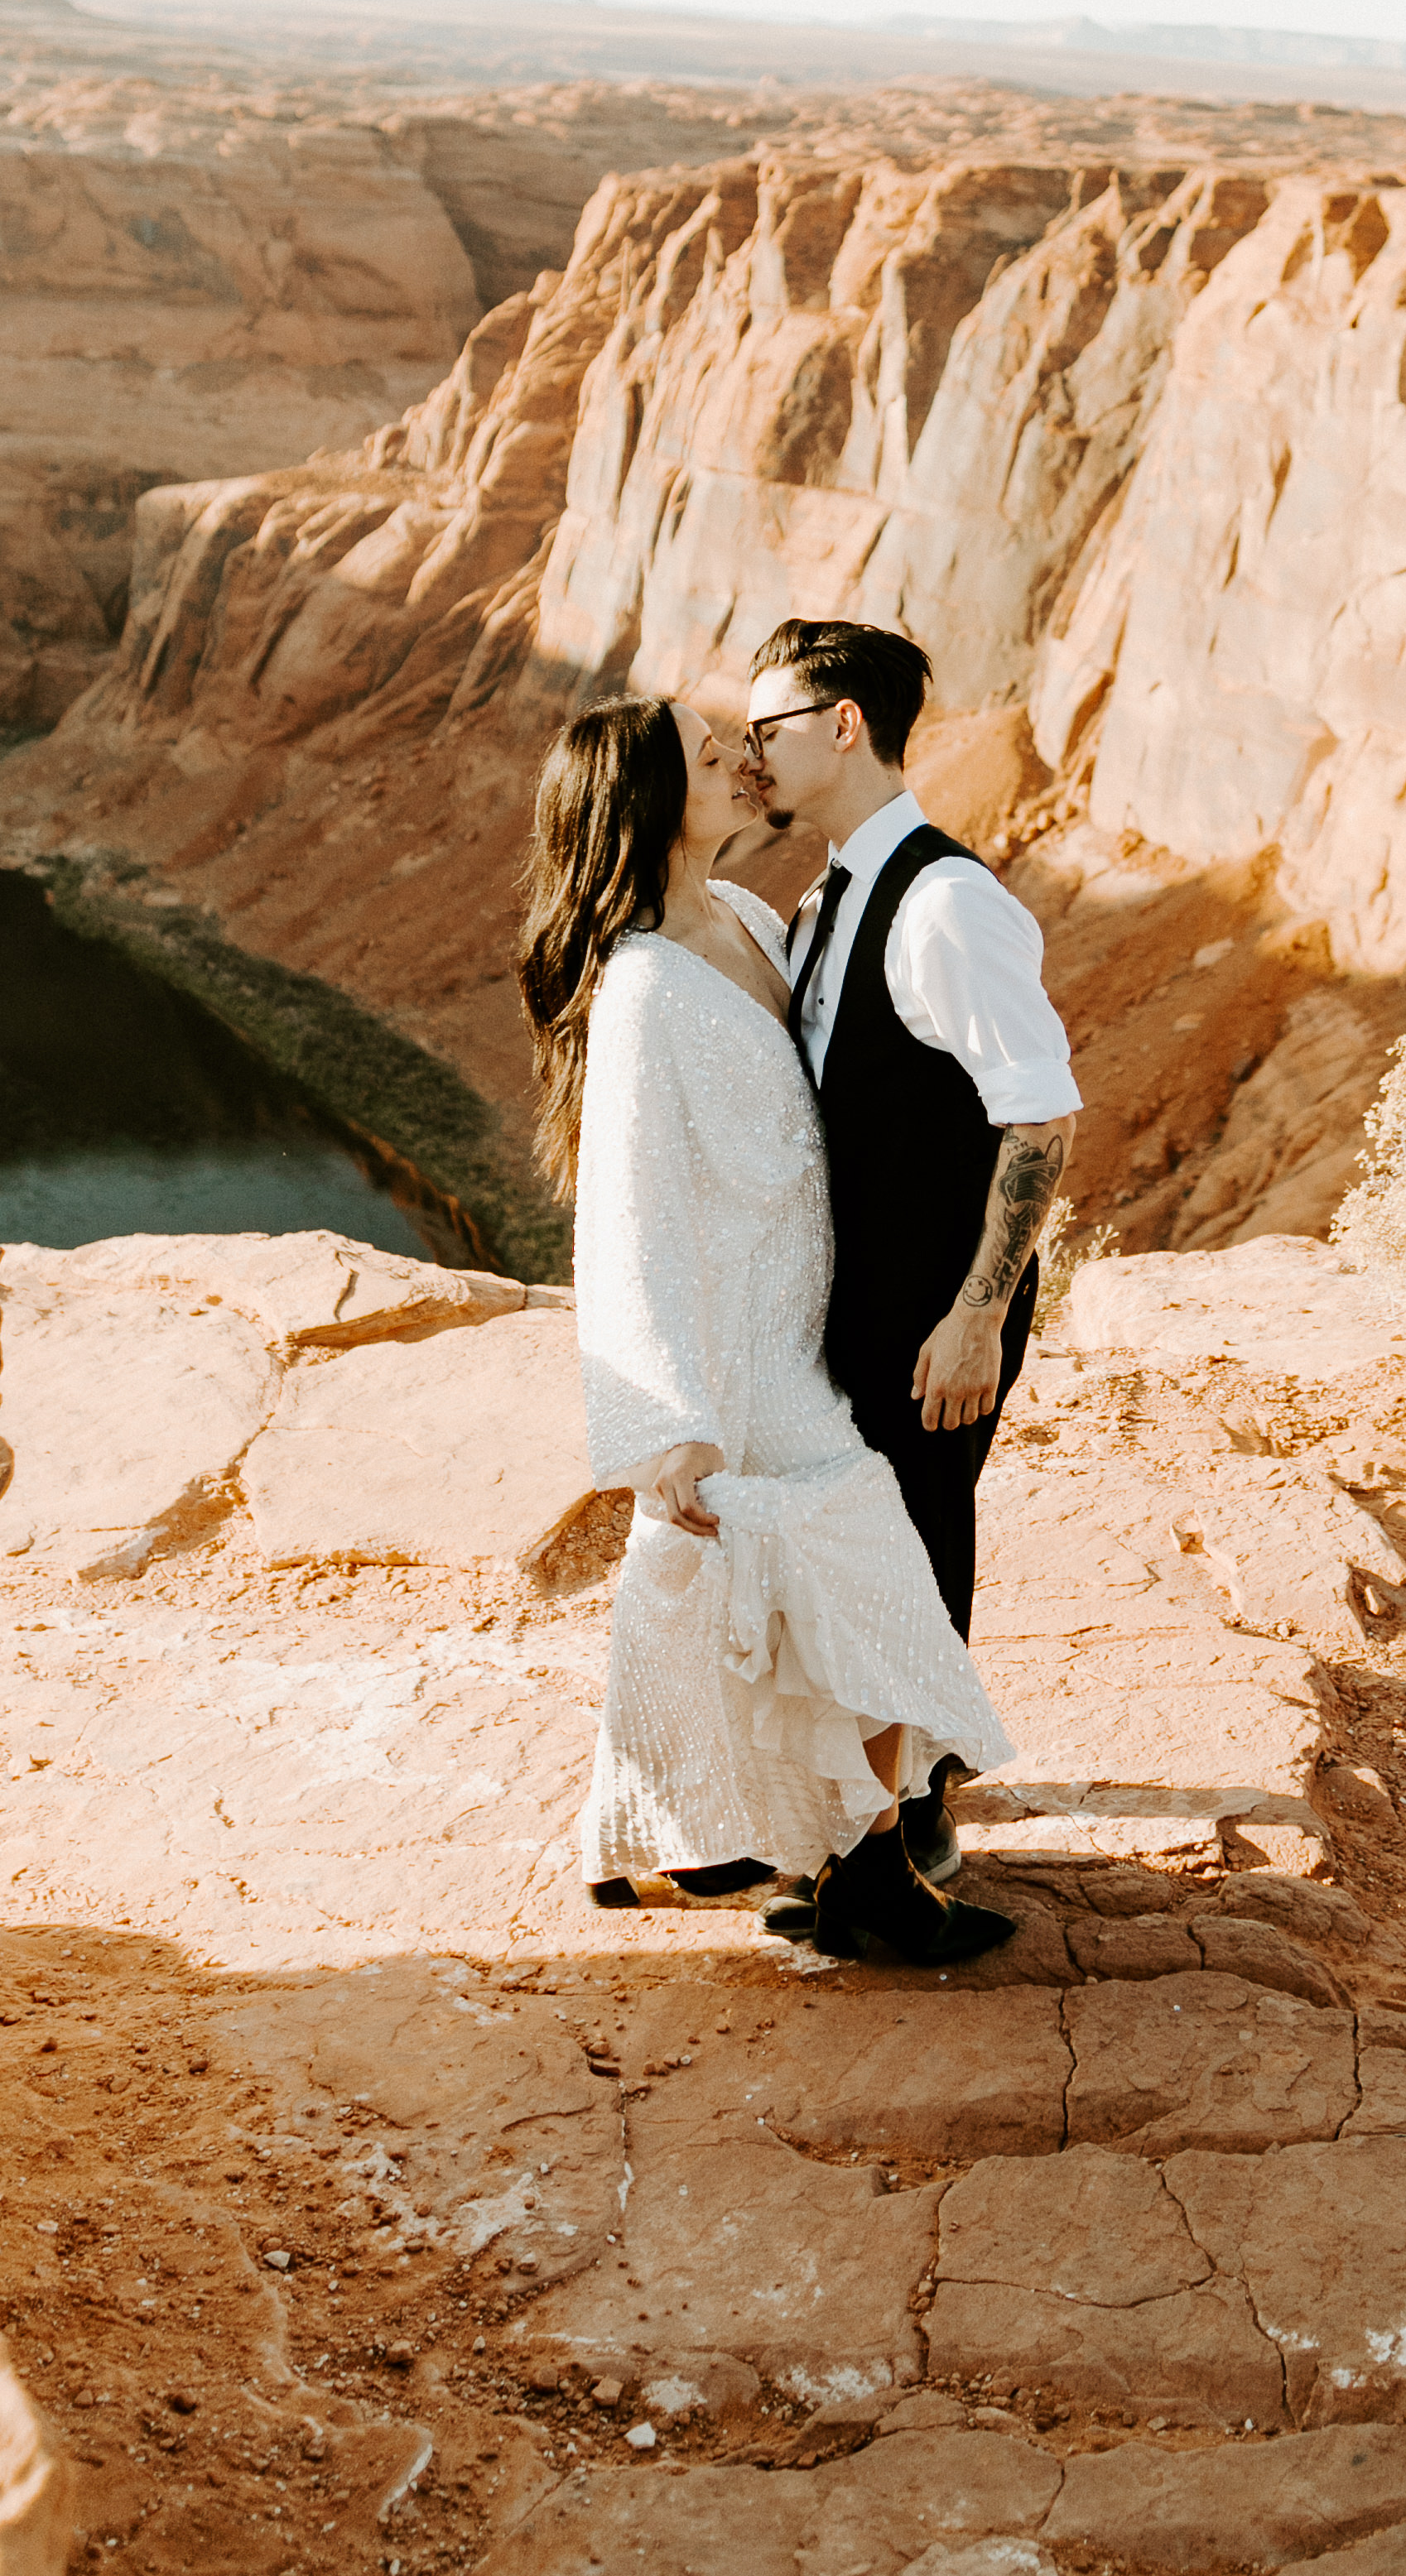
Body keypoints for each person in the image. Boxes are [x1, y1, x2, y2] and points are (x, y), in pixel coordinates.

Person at [517, 691, 1018, 1967]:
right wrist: (664, 1424)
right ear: (647, 797)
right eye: (707, 755)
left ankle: (698, 1840)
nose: (743, 762)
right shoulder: (638, 983)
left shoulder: (745, 918)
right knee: (851, 1569)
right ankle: (866, 1876)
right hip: (730, 1342)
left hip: (801, 1320)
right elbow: (625, 1210)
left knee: (760, 1598)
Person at [742, 619, 1081, 1896]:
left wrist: (976, 1314)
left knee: (921, 1529)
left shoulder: (944, 904)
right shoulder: (828, 893)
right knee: (862, 1531)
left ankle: (918, 1805)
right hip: (862, 1292)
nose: (750, 754)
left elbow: (1039, 1113)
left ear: (843, 725)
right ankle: (873, 1782)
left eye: (769, 727)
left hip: (937, 1302)